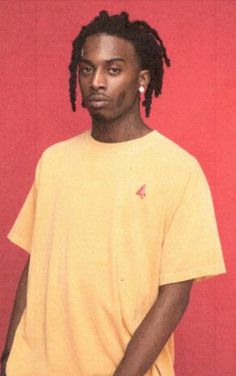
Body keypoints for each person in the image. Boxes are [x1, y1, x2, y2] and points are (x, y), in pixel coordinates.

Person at [1, 10, 226, 376]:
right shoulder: (54, 161)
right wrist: (8, 356)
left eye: (114, 69)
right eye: (87, 69)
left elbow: (174, 295)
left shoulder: (179, 169)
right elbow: (35, 263)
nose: (97, 82)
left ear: (143, 79)